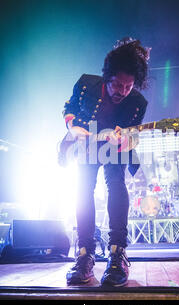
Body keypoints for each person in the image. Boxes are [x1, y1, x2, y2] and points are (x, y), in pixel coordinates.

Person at [63, 38, 150, 287]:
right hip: (85, 143)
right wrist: (73, 127)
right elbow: (69, 107)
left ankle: (117, 253)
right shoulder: (86, 84)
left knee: (116, 184)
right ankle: (84, 254)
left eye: (128, 86)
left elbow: (133, 135)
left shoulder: (138, 103)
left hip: (114, 147)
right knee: (83, 189)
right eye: (117, 84)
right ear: (107, 76)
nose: (122, 91)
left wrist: (127, 141)